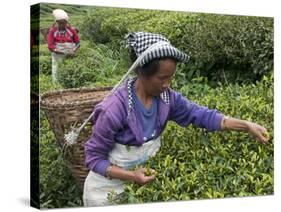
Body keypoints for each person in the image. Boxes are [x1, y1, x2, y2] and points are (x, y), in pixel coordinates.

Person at [83, 32, 269, 206]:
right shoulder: (114, 109)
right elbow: (94, 158)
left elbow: (203, 116)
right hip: (106, 189)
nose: (167, 84)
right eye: (162, 78)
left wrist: (245, 125)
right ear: (141, 72)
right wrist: (132, 175)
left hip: (142, 181)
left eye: (171, 78)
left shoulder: (167, 99)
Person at [47, 9, 80, 82]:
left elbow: (78, 43)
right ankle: (55, 84)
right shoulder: (52, 31)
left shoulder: (71, 30)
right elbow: (50, 46)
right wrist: (61, 52)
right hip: (57, 55)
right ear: (56, 22)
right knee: (56, 70)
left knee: (69, 69)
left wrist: (73, 51)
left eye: (63, 23)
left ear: (66, 22)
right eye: (59, 23)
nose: (61, 25)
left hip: (70, 54)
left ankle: (69, 83)